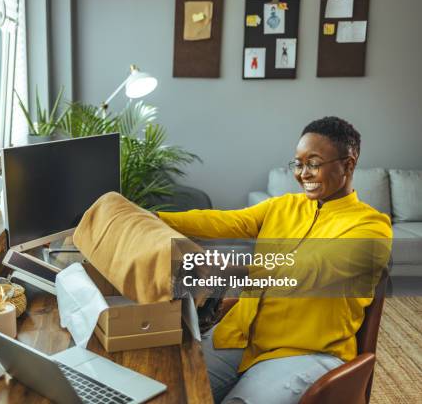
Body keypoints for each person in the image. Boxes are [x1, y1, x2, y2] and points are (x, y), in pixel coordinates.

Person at [157, 116, 392, 404]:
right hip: (245, 337)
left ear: (349, 164)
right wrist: (153, 217)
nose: (302, 173)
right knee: (167, 390)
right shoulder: (285, 206)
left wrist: (236, 269)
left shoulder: (372, 227)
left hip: (306, 352)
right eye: (298, 162)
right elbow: (222, 221)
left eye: (314, 163)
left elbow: (310, 270)